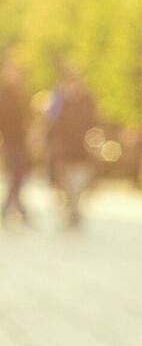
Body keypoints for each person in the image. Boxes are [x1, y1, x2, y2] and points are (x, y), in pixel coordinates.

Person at [43, 69, 97, 229]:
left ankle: (74, 208)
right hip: (64, 151)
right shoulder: (60, 103)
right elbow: (52, 125)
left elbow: (94, 122)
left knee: (80, 182)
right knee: (67, 183)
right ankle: (71, 209)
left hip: (82, 150)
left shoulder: (87, 101)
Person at [0, 59, 32, 227]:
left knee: (20, 175)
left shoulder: (20, 93)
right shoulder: (3, 95)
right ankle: (11, 207)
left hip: (21, 140)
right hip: (10, 140)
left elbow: (26, 117)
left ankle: (13, 206)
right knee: (15, 175)